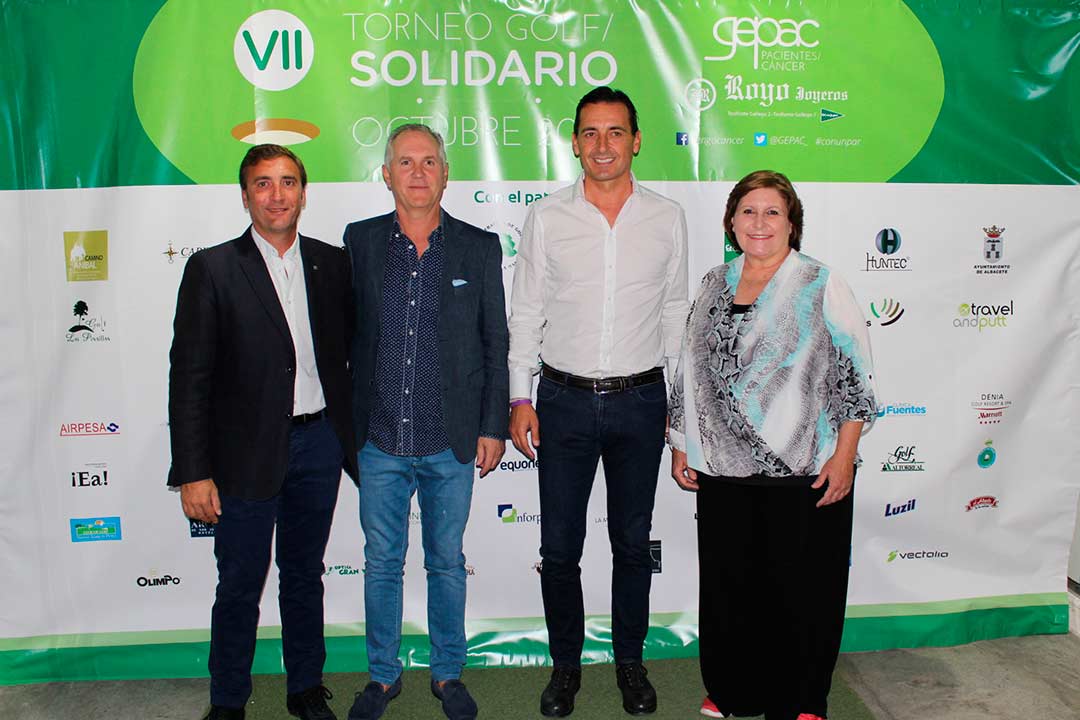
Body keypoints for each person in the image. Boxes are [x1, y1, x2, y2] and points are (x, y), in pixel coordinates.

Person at [668, 170, 877, 720]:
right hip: (722, 469)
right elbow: (689, 369)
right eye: (748, 211)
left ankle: (803, 699)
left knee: (802, 593)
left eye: (772, 212)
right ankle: (733, 690)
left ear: (791, 224)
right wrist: (682, 441)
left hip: (804, 468)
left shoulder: (820, 283)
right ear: (732, 222)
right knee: (730, 588)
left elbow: (855, 378)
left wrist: (845, 456)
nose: (759, 223)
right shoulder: (714, 282)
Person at [508, 87, 689, 717]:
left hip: (642, 401)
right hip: (562, 400)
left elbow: (675, 315)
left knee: (632, 545)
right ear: (575, 142)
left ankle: (630, 664)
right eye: (590, 132)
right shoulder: (547, 218)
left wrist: (679, 411)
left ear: (636, 141)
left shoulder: (667, 217)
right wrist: (519, 396)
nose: (603, 144)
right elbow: (526, 311)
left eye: (615, 132)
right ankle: (565, 668)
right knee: (560, 549)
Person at [168, 144, 357, 720]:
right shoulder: (213, 268)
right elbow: (189, 378)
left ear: (304, 192)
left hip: (319, 444)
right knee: (239, 583)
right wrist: (194, 472)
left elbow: (351, 355)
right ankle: (228, 699)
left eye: (288, 182)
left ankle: (305, 686)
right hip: (243, 454)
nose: (277, 195)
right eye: (263, 183)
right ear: (245, 195)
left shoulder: (332, 264)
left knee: (304, 574)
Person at [343, 123, 509, 720]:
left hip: (450, 438)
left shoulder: (478, 246)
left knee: (446, 561)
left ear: (445, 173)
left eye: (429, 161)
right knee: (381, 564)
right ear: (386, 174)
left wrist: (492, 425)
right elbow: (345, 337)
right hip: (379, 437)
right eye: (406, 162)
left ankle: (448, 675)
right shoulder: (359, 241)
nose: (418, 173)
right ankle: (382, 677)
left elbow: (495, 341)